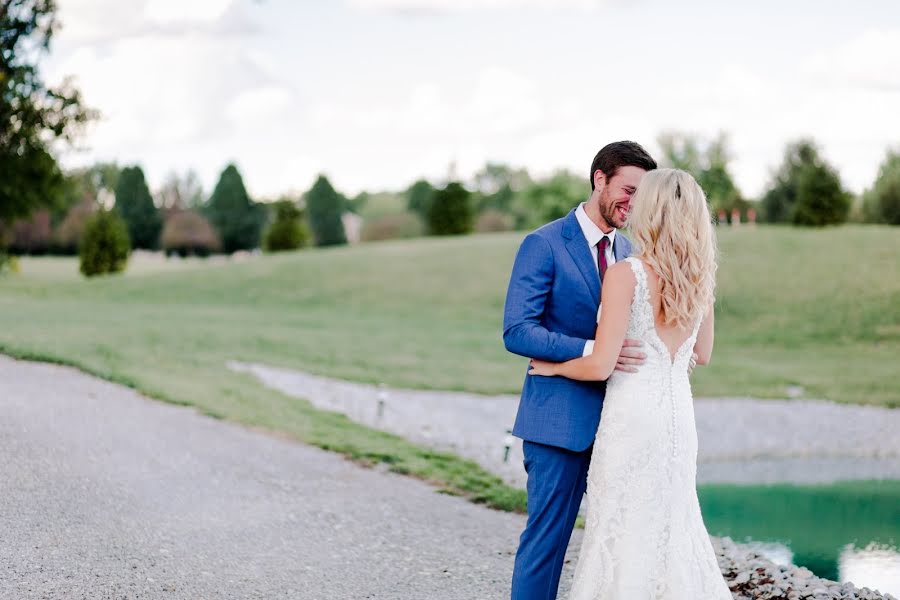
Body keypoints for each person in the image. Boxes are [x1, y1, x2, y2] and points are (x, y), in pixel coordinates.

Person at [528, 168, 731, 599]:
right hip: (678, 420)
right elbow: (703, 354)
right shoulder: (701, 278)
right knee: (672, 527)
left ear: (652, 210)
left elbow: (601, 365)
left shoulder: (626, 273)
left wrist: (555, 368)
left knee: (622, 531)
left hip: (633, 419)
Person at [503, 141, 660, 600]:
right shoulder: (544, 244)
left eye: (642, 195)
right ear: (599, 179)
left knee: (621, 546)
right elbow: (517, 330)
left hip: (621, 423)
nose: (633, 203)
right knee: (547, 544)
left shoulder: (632, 253)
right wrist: (596, 349)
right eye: (628, 190)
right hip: (559, 424)